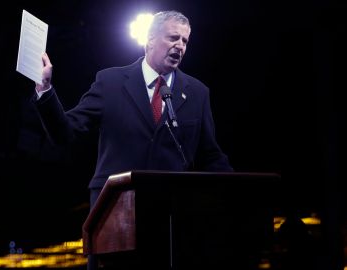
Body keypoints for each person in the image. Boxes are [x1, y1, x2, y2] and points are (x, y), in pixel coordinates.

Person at [32, 10, 233, 269]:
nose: (179, 46)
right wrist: (45, 90)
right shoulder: (111, 82)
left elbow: (210, 155)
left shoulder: (197, 93)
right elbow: (65, 133)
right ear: (150, 40)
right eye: (173, 38)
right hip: (114, 217)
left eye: (185, 41)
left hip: (171, 223)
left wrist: (238, 193)